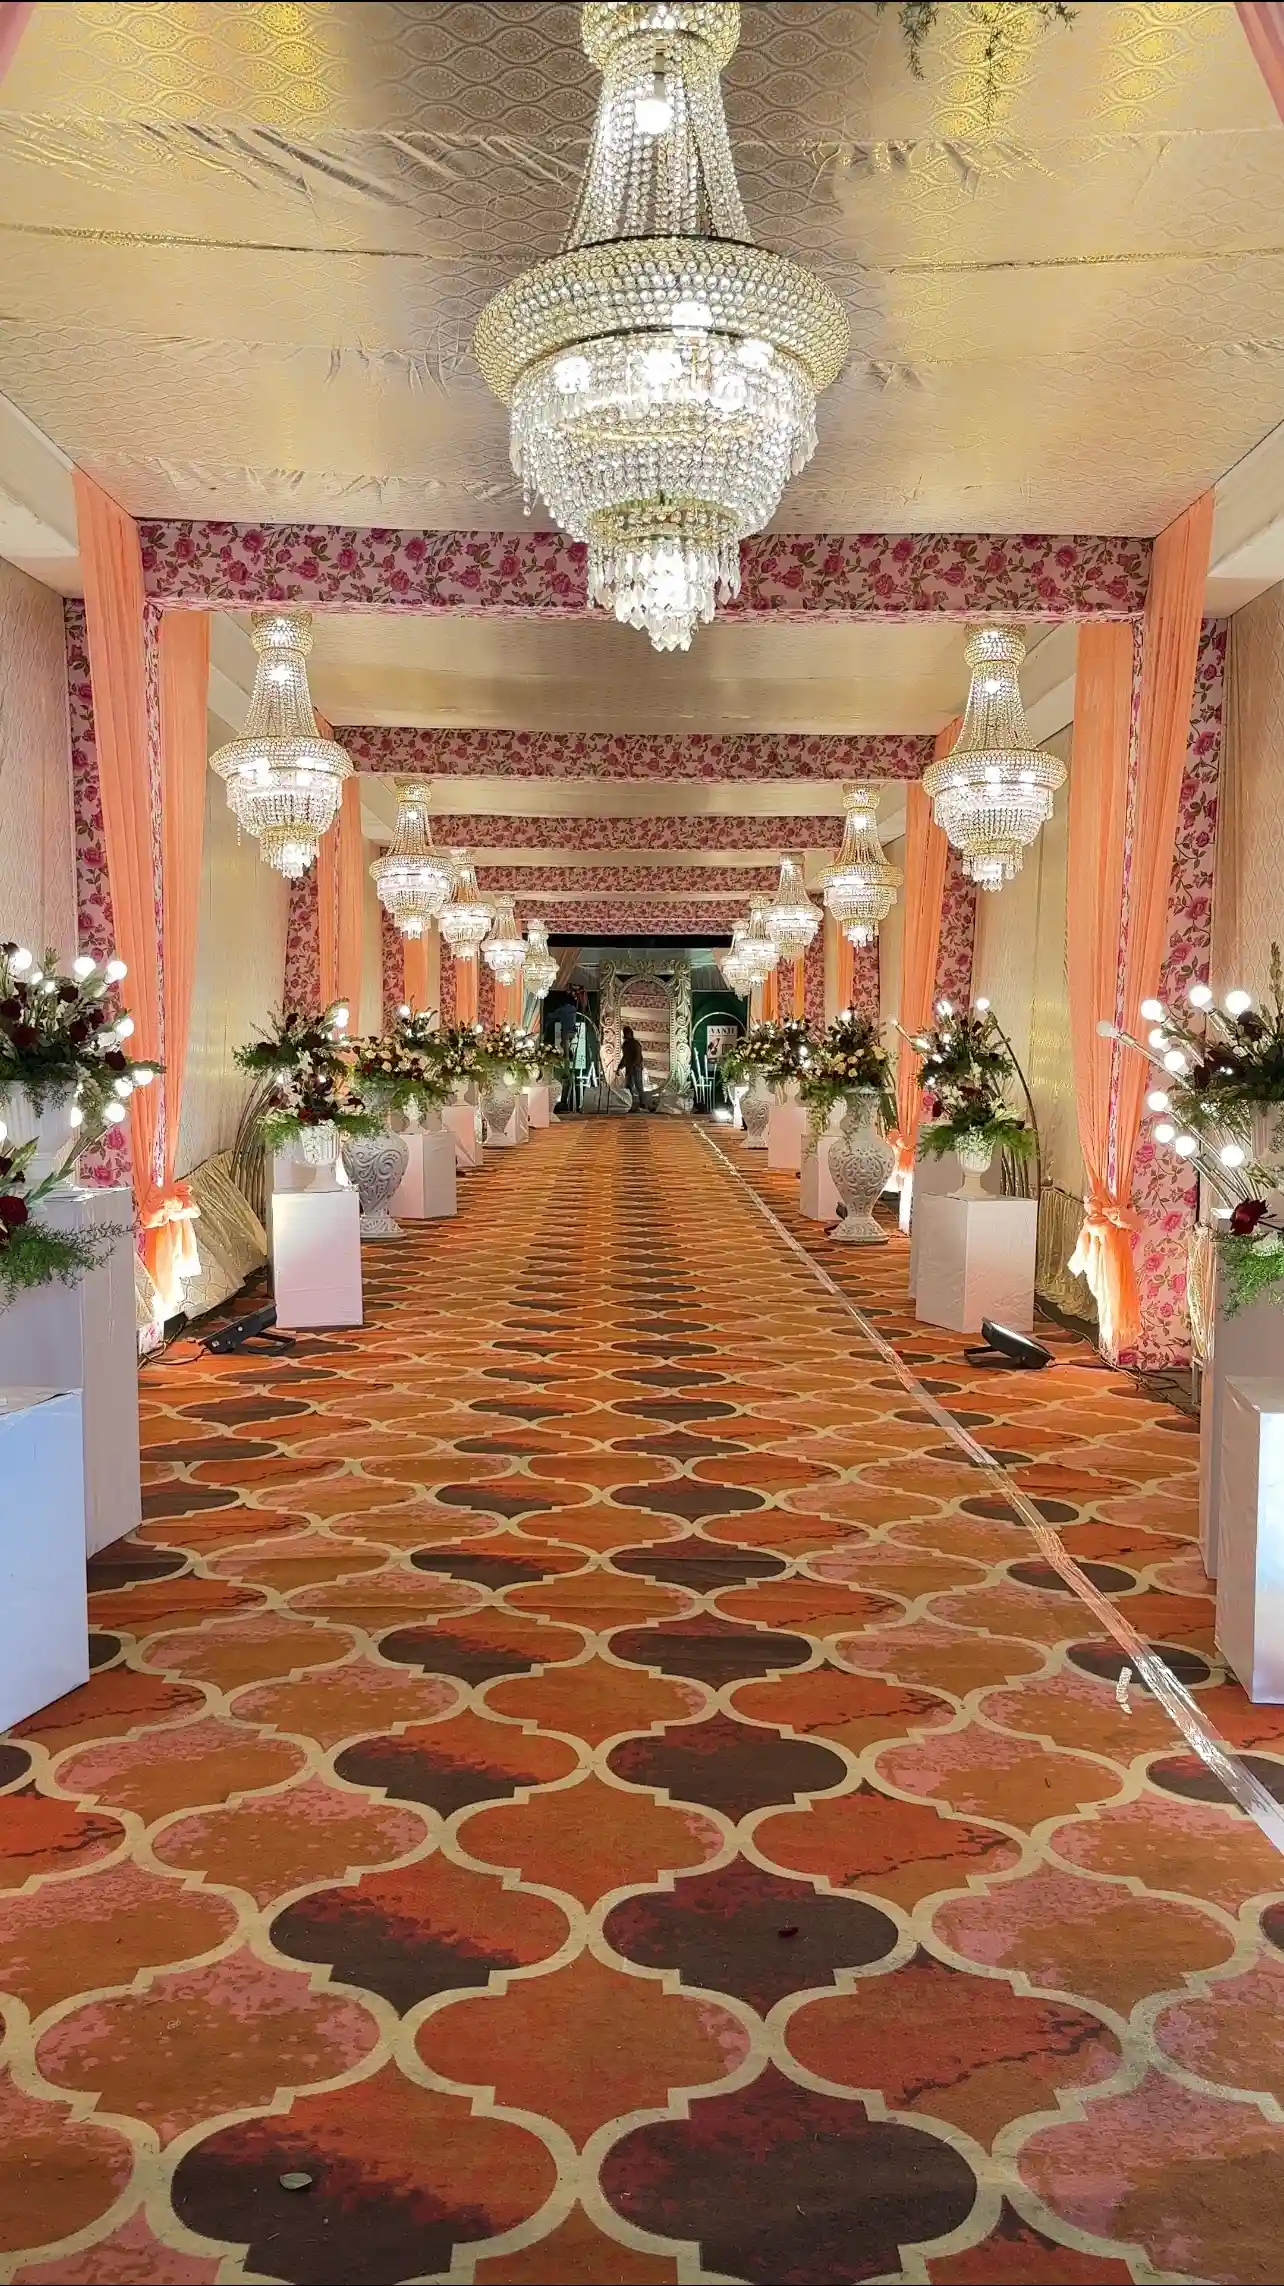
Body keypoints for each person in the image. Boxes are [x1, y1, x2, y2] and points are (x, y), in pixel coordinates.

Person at [617, 1024, 646, 1111]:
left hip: (636, 1068)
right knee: (628, 1087)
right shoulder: (625, 1045)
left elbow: (638, 1056)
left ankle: (643, 1104)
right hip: (629, 1068)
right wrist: (620, 1067)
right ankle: (630, 1104)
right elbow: (625, 1057)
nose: (626, 1034)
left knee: (638, 1086)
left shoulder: (635, 1043)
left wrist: (634, 1065)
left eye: (627, 1033)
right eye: (625, 1033)